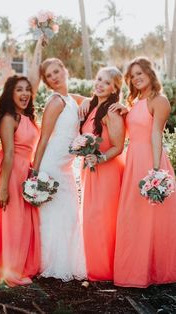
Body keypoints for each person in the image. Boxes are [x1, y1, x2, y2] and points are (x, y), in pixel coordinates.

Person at [112, 56, 176, 288]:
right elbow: (135, 130)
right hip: (133, 161)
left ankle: (155, 272)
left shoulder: (158, 100)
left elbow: (156, 133)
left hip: (151, 161)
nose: (137, 78)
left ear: (150, 73)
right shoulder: (137, 101)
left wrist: (157, 171)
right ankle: (133, 269)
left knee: (153, 217)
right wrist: (124, 111)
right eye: (133, 75)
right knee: (134, 216)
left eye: (140, 73)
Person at [0, 39, 43, 287]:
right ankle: (8, 272)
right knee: (10, 224)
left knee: (20, 224)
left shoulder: (26, 115)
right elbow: (8, 153)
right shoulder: (9, 118)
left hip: (23, 172)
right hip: (7, 171)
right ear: (10, 93)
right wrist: (2, 186)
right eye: (19, 90)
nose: (25, 93)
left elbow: (34, 77)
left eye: (27, 90)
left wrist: (39, 45)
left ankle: (18, 266)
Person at [33, 58, 86, 281]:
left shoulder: (71, 99)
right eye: (49, 76)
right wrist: (35, 174)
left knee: (69, 213)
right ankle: (48, 262)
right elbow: (43, 138)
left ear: (65, 70)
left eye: (57, 71)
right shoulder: (55, 102)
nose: (54, 77)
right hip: (51, 164)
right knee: (54, 214)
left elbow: (99, 100)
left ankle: (67, 261)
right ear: (46, 81)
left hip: (65, 167)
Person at [80, 66, 125, 281]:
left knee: (102, 220)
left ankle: (104, 269)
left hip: (107, 172)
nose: (100, 84)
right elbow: (66, 95)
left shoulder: (112, 111)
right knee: (90, 218)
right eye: (99, 79)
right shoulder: (90, 107)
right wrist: (82, 102)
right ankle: (92, 265)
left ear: (115, 88)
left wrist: (100, 158)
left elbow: (118, 146)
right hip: (90, 171)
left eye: (107, 83)